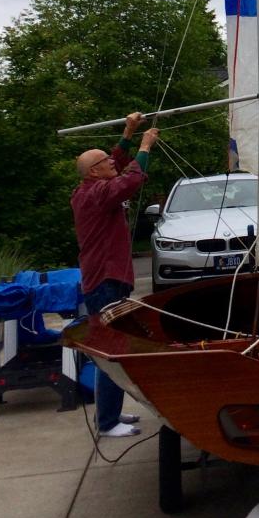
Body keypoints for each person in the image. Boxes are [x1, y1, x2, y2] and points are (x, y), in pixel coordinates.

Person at [72, 111, 159, 437]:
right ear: (94, 171)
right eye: (106, 160)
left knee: (114, 348)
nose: (113, 161)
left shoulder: (94, 187)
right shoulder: (96, 194)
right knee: (112, 351)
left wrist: (129, 131)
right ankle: (107, 422)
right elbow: (130, 179)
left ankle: (110, 414)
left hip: (108, 280)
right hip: (104, 282)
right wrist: (145, 146)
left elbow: (118, 164)